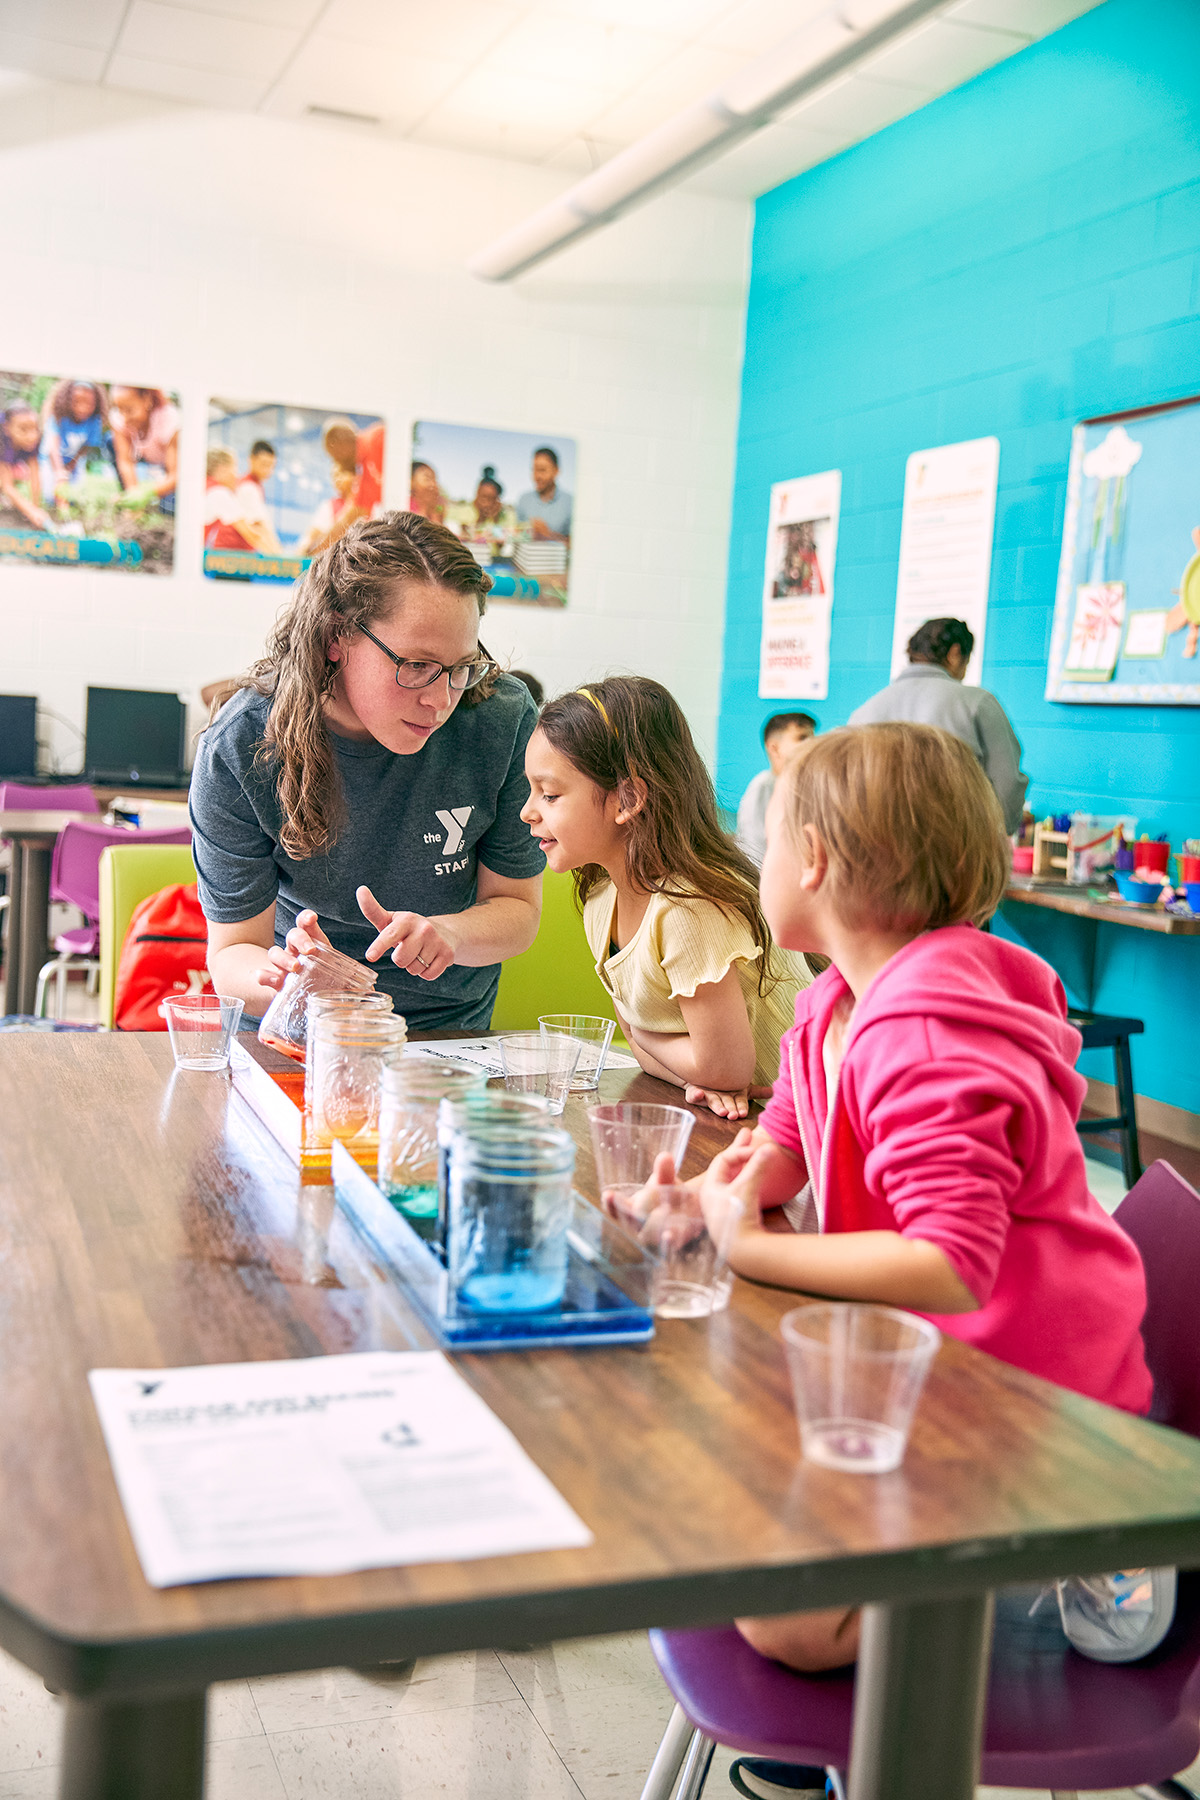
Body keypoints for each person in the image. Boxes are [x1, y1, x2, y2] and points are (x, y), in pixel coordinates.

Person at [623, 722, 1168, 1727]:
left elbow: (951, 1264)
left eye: (772, 839)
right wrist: (706, 1201)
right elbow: (781, 1145)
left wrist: (755, 1247)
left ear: (818, 861)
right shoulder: (837, 1000)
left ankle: (1054, 1557)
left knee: (786, 1623)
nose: (760, 859)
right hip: (940, 1367)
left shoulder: (922, 1029)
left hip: (1034, 1403)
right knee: (718, 1490)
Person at [190, 510, 544, 1031]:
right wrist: (293, 979)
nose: (440, 700)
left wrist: (452, 934)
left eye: (462, 667)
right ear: (338, 638)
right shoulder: (242, 747)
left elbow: (517, 908)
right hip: (301, 1031)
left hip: (446, 1032)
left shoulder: (502, 720)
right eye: (416, 666)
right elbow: (232, 954)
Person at [521, 676, 811, 1119]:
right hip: (754, 1121)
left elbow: (724, 1070)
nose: (528, 811)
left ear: (629, 799)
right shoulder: (602, 901)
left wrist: (646, 1038)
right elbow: (693, 1070)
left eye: (551, 794)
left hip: (818, 1123)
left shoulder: (688, 910)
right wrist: (690, 1068)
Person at [849, 617, 1027, 832]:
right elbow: (1006, 784)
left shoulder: (863, 712)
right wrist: (997, 835)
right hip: (956, 848)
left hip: (878, 845)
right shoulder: (977, 703)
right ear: (954, 653)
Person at [736, 712, 816, 867]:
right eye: (802, 737)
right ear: (774, 748)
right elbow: (754, 850)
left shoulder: (805, 788)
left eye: (812, 737)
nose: (811, 744)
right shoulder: (762, 788)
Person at [110, 386, 179, 513]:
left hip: (167, 465)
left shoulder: (168, 419)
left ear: (147, 400)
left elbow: (177, 473)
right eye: (120, 410)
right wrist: (133, 493)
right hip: (144, 458)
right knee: (109, 441)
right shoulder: (119, 419)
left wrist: (150, 492)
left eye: (130, 410)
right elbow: (125, 460)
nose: (124, 418)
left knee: (170, 507)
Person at [41, 379, 111, 495]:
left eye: (89, 404)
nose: (82, 408)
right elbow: (52, 448)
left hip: (74, 460)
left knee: (74, 495)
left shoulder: (94, 421)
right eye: (76, 402)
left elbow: (86, 446)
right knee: (50, 496)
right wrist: (59, 473)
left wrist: (71, 466)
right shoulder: (59, 417)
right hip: (50, 458)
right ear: (67, 401)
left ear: (96, 404)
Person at [203, 447, 274, 553]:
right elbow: (252, 535)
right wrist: (280, 561)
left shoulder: (203, 487)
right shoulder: (219, 493)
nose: (236, 475)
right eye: (234, 468)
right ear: (222, 468)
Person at [0, 403, 51, 529]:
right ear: (6, 428)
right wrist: (30, 511)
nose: (31, 436)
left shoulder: (34, 440)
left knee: (21, 473)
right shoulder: (3, 440)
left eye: (34, 429)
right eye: (23, 429)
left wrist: (35, 508)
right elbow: (6, 485)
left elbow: (35, 475)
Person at [298, 462, 356, 557]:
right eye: (333, 476)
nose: (337, 480)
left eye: (341, 474)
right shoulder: (329, 505)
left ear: (355, 476)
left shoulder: (365, 505)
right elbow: (313, 535)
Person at [516, 445, 572, 541]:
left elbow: (578, 545)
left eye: (542, 470)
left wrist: (548, 534)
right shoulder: (523, 500)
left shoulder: (570, 503)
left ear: (556, 471)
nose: (537, 476)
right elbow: (517, 536)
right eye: (534, 470)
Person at [236, 439, 281, 553]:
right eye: (264, 464)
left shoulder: (255, 486)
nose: (268, 471)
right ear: (251, 459)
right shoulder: (247, 487)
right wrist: (278, 556)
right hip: (233, 553)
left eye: (272, 466)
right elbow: (259, 527)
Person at [408, 459, 446, 526]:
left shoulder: (433, 511)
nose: (433, 485)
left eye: (434, 480)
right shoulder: (405, 507)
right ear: (411, 482)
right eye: (427, 479)